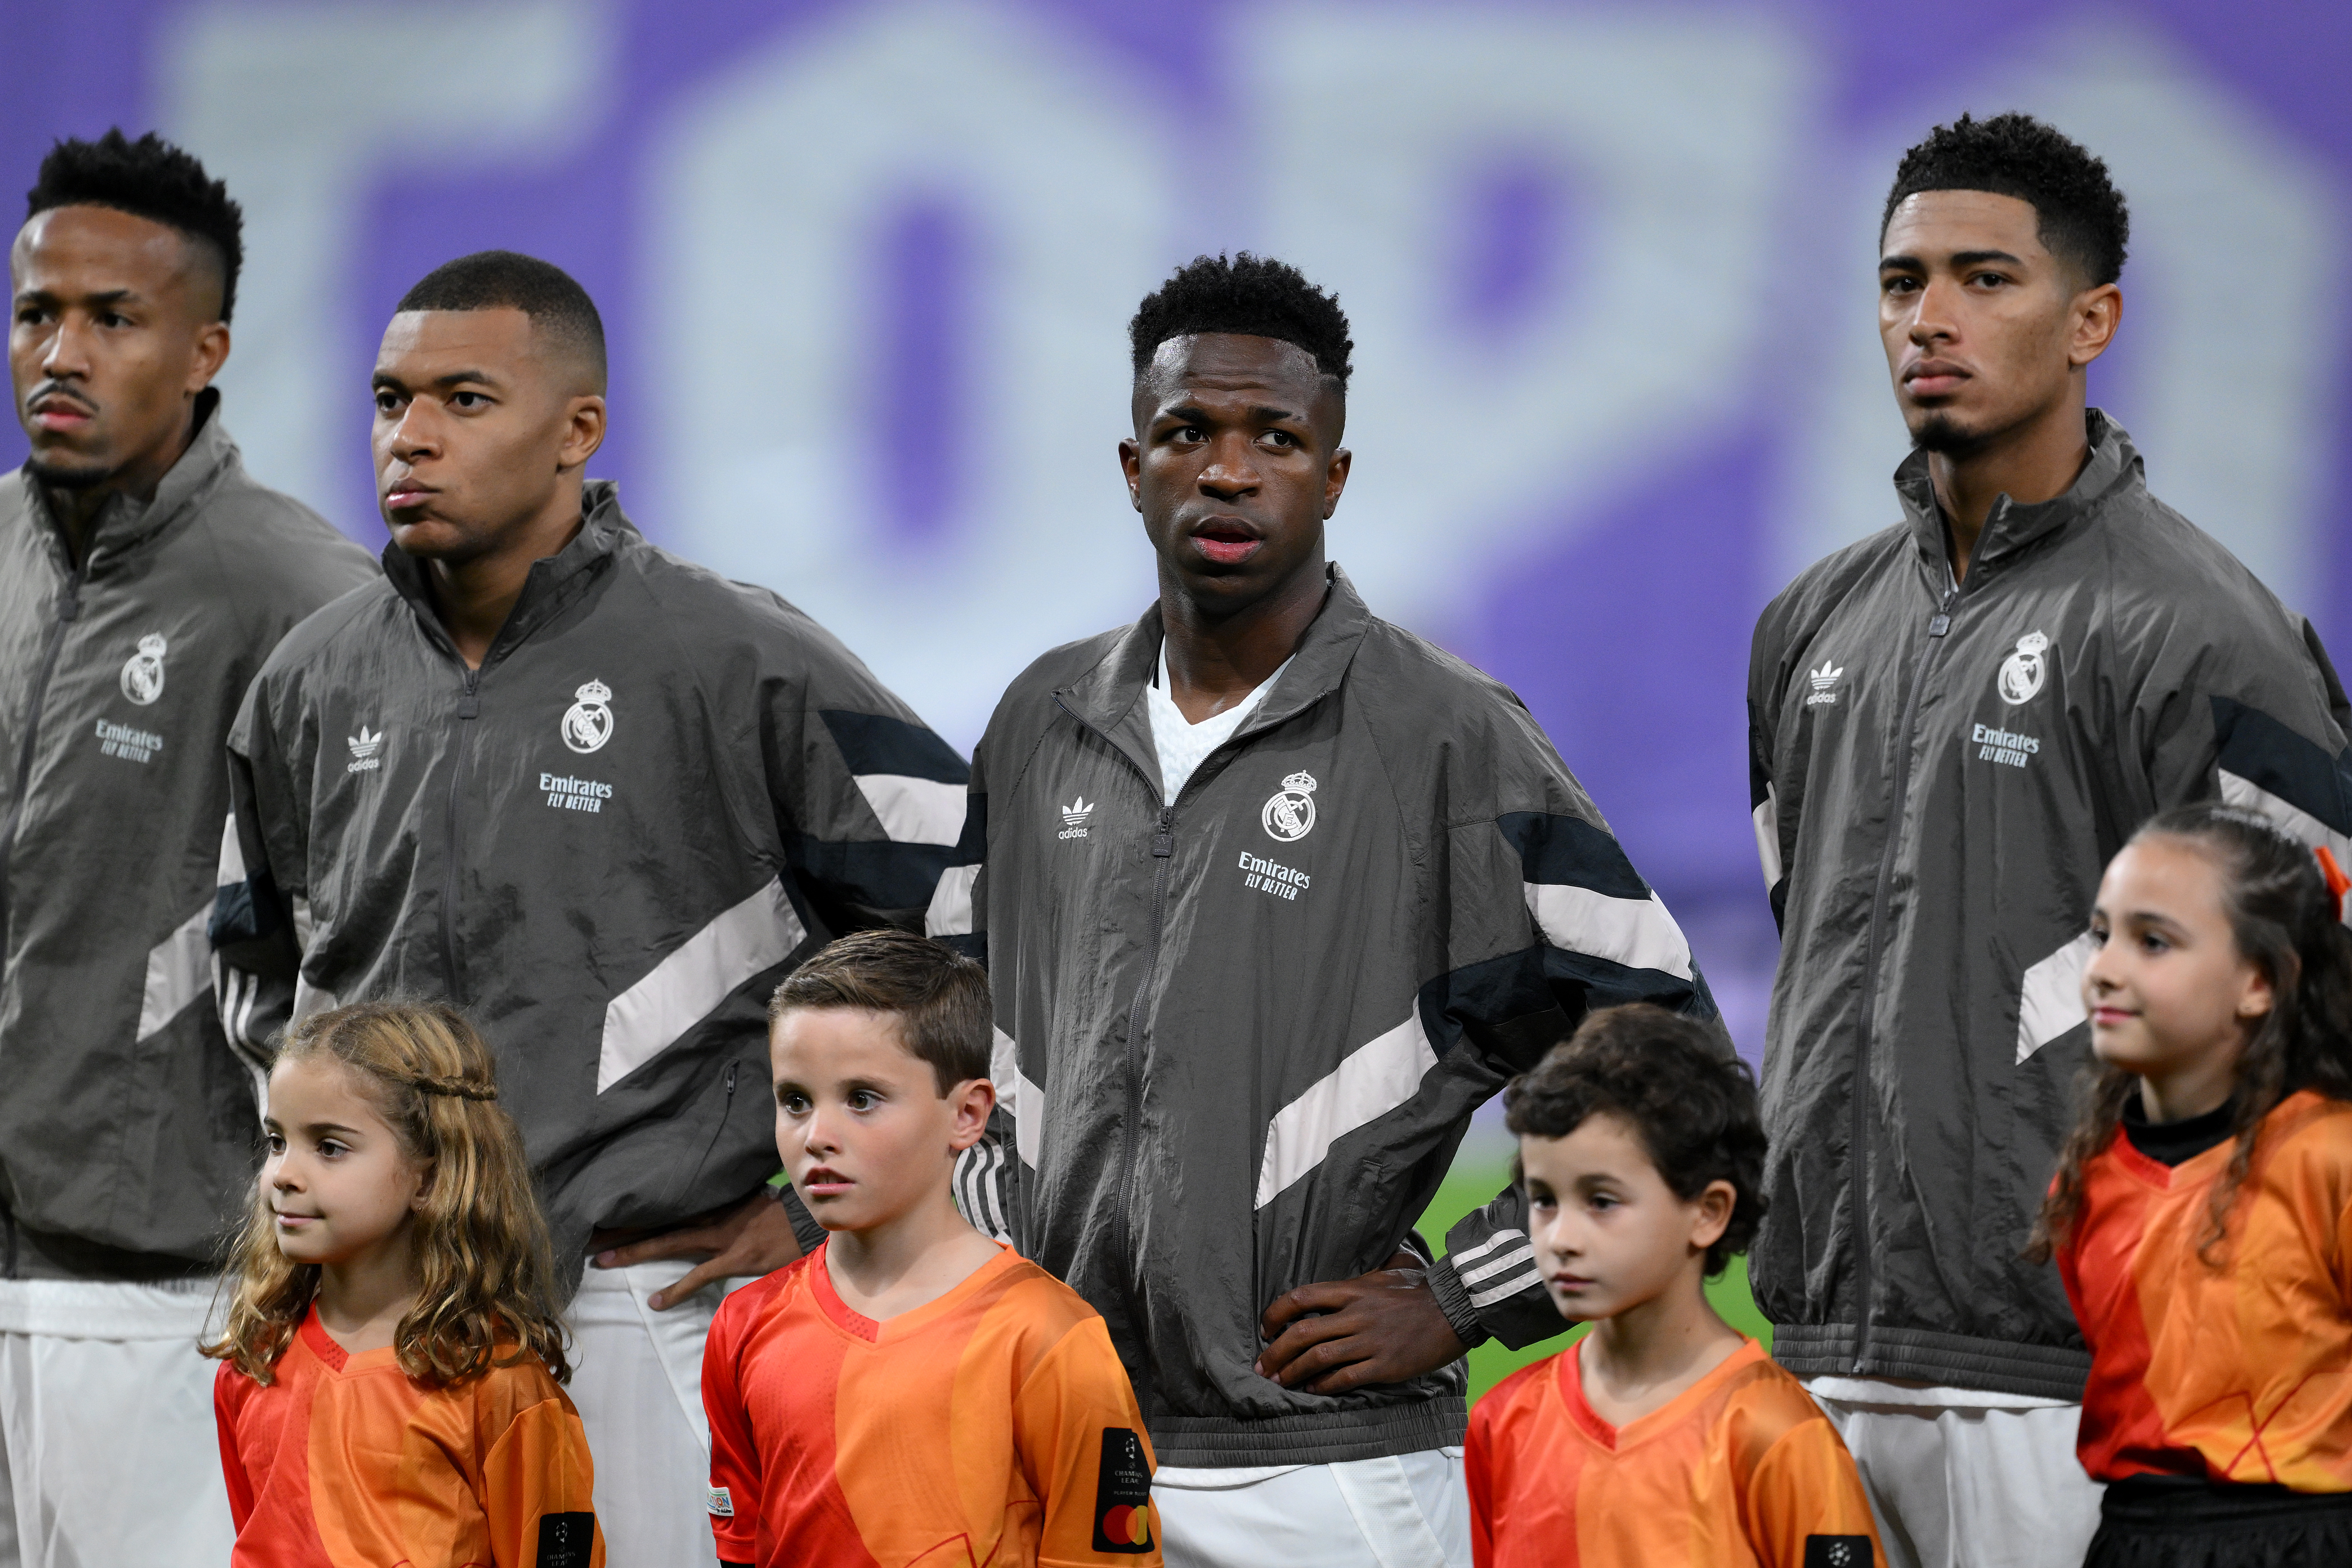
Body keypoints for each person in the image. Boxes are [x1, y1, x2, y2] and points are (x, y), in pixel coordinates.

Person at [946, 252, 1721, 1568]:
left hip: (1320, 1473)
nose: (1230, 471)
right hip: (1047, 1440)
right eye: (1190, 432)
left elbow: (1673, 1049)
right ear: (1134, 466)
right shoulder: (1040, 722)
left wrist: (1469, 1291)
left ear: (1336, 478)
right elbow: (944, 1038)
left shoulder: (1446, 740)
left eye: (1277, 439)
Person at [213, 250, 973, 1564]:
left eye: (464, 399)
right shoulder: (309, 681)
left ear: (579, 431)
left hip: (645, 1308)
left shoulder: (733, 658)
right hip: (383, 1317)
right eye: (392, 402)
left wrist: (813, 1208)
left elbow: (976, 914)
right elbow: (258, 976)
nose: (414, 438)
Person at [1747, 111, 2352, 1568]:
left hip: (2072, 1373)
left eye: (1984, 279)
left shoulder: (2204, 636)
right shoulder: (1811, 626)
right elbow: (1816, 946)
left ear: (2093, 322)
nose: (1930, 319)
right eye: (1902, 283)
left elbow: (2321, 1005)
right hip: (1819, 1343)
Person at [0, 129, 375, 1566]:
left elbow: (392, 945)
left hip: (179, 1286)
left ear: (207, 346)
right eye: (39, 311)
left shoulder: (303, 598)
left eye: (115, 318)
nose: (63, 351)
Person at [702, 929, 1160, 1566]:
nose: (817, 1136)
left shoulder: (1051, 1339)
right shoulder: (744, 1325)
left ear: (968, 1115)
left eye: (862, 1099)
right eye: (795, 1101)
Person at [2033, 806, 2352, 1564]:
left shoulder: (2329, 1157)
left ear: (2260, 982)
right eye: (2101, 933)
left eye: (2153, 942)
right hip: (2138, 1539)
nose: (2106, 968)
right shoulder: (2086, 1177)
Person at [1467, 1004, 1883, 1567]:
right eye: (1544, 1200)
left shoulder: (1775, 1435)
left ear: (1708, 1213)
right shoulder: (1503, 1423)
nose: (1560, 1237)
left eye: (1602, 1201)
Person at [207, 1001, 601, 1566]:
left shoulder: (498, 1384)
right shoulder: (254, 1364)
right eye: (276, 1141)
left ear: (431, 1175)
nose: (284, 1176)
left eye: (329, 1147)